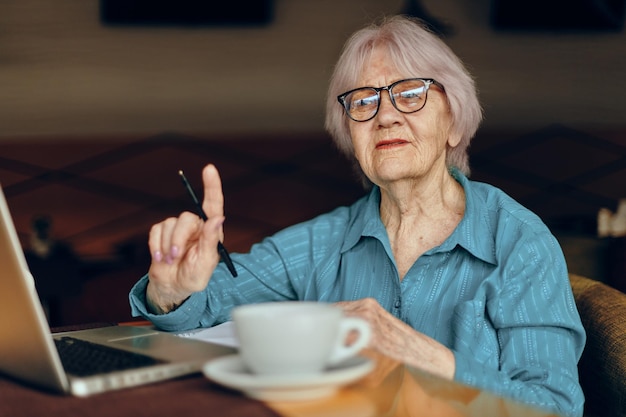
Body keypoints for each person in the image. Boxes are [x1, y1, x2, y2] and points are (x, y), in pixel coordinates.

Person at [129, 15, 585, 417]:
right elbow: (205, 307)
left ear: (456, 123)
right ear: (350, 135)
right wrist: (172, 289)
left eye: (410, 93)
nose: (385, 115)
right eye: (364, 101)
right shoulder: (320, 243)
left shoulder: (518, 243)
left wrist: (426, 357)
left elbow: (554, 408)